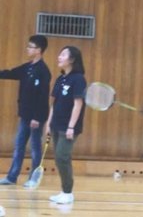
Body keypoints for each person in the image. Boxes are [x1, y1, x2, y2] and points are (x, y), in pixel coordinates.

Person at [0, 35, 51, 188]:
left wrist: (37, 117)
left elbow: (43, 97)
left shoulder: (43, 71)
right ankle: (12, 177)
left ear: (38, 50)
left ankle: (33, 178)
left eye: (30, 47)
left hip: (36, 118)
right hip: (25, 116)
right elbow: (10, 73)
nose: (27, 49)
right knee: (19, 146)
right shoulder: (27, 68)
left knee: (35, 148)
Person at [46, 46, 87, 205]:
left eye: (63, 54)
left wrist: (71, 127)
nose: (59, 57)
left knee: (62, 157)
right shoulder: (60, 78)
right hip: (56, 124)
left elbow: (78, 104)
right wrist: (49, 123)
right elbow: (54, 103)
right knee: (60, 158)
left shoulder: (78, 79)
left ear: (72, 60)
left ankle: (68, 193)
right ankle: (64, 191)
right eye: (60, 54)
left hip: (68, 127)